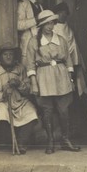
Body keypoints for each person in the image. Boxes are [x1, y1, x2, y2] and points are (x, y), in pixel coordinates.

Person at [26, 10, 80, 154]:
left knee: (64, 110)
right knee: (47, 111)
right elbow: (30, 64)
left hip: (61, 76)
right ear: (41, 25)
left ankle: (65, 140)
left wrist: (70, 77)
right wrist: (34, 82)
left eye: (52, 23)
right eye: (46, 23)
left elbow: (68, 59)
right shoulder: (33, 41)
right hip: (43, 77)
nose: (50, 26)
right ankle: (50, 141)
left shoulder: (61, 39)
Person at [0, 43, 38, 154]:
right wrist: (3, 94)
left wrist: (19, 84)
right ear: (0, 57)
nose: (8, 57)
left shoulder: (20, 68)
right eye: (5, 54)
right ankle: (12, 142)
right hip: (2, 102)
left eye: (11, 54)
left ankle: (21, 143)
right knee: (2, 114)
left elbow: (28, 90)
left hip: (19, 101)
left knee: (31, 112)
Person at [53, 1, 87, 139]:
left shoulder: (68, 29)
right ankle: (62, 132)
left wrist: (75, 66)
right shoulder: (53, 29)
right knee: (61, 99)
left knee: (75, 99)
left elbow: (74, 49)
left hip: (73, 67)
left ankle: (75, 129)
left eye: (64, 13)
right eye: (59, 13)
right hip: (58, 68)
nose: (62, 15)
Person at [17, 0, 46, 67]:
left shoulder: (40, 6)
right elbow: (18, 25)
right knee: (27, 70)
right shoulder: (23, 3)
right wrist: (35, 19)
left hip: (39, 44)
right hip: (27, 44)